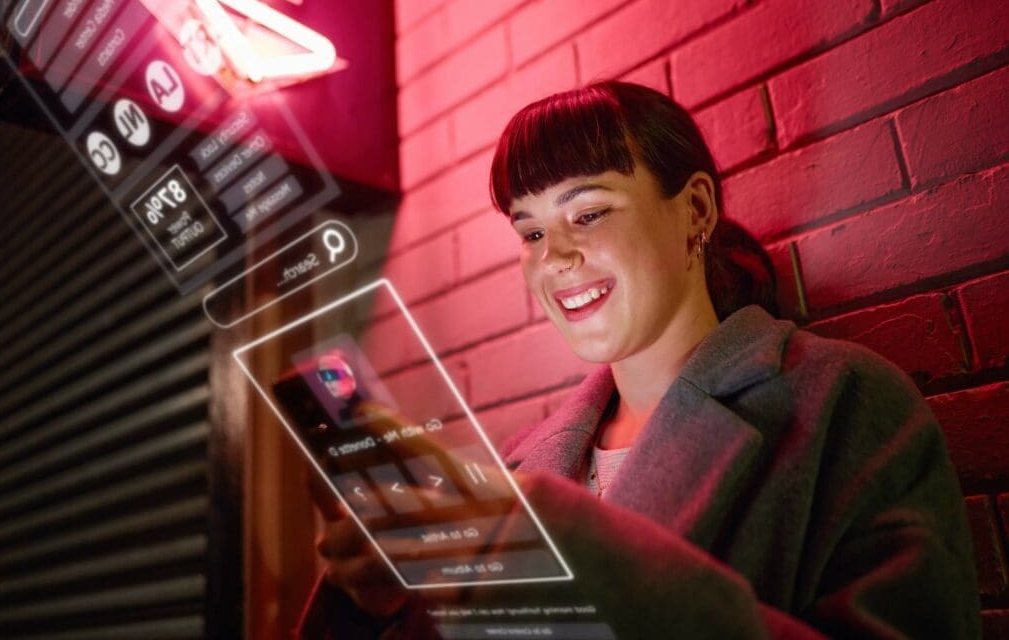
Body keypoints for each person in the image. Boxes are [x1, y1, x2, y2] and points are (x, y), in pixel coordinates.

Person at [301, 81, 980, 638]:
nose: (554, 257)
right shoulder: (517, 464)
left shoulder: (845, 404)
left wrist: (545, 564)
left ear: (695, 211)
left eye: (588, 214)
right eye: (530, 231)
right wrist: (378, 602)